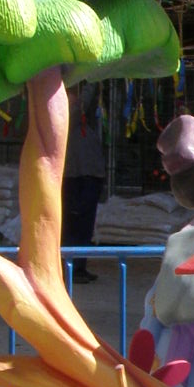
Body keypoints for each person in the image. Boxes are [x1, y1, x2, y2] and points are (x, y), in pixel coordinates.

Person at [62, 100, 105, 282]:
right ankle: (71, 268)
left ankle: (80, 267)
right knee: (73, 223)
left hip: (90, 175)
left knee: (85, 226)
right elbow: (80, 105)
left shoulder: (89, 124)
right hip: (75, 176)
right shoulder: (68, 114)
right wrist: (86, 88)